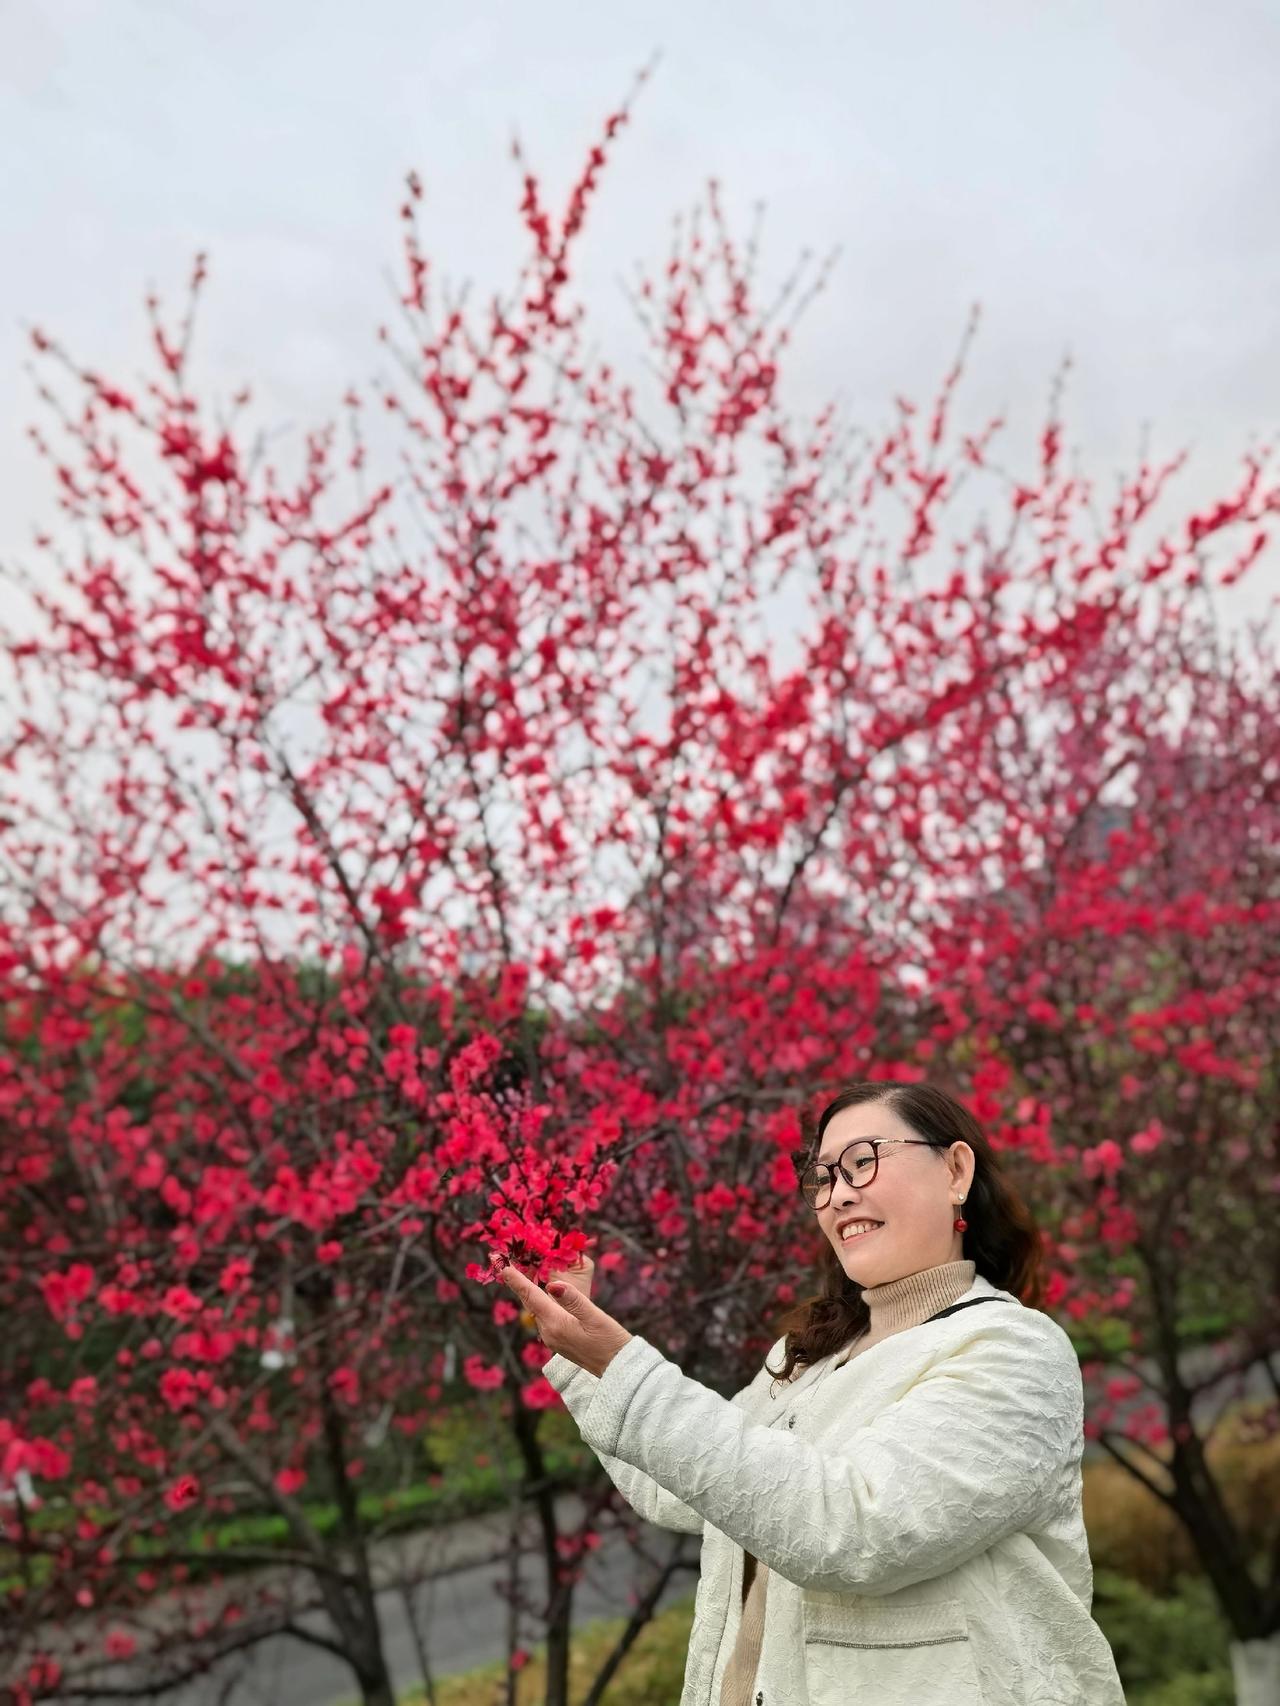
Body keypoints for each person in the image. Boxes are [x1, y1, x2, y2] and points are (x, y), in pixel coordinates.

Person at [501, 1079, 1128, 1705]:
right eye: (824, 1177)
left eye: (863, 1162)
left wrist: (623, 1366)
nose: (837, 1196)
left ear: (955, 1170)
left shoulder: (1011, 1351)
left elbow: (851, 1530)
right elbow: (686, 1488)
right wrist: (584, 1354)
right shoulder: (809, 1359)